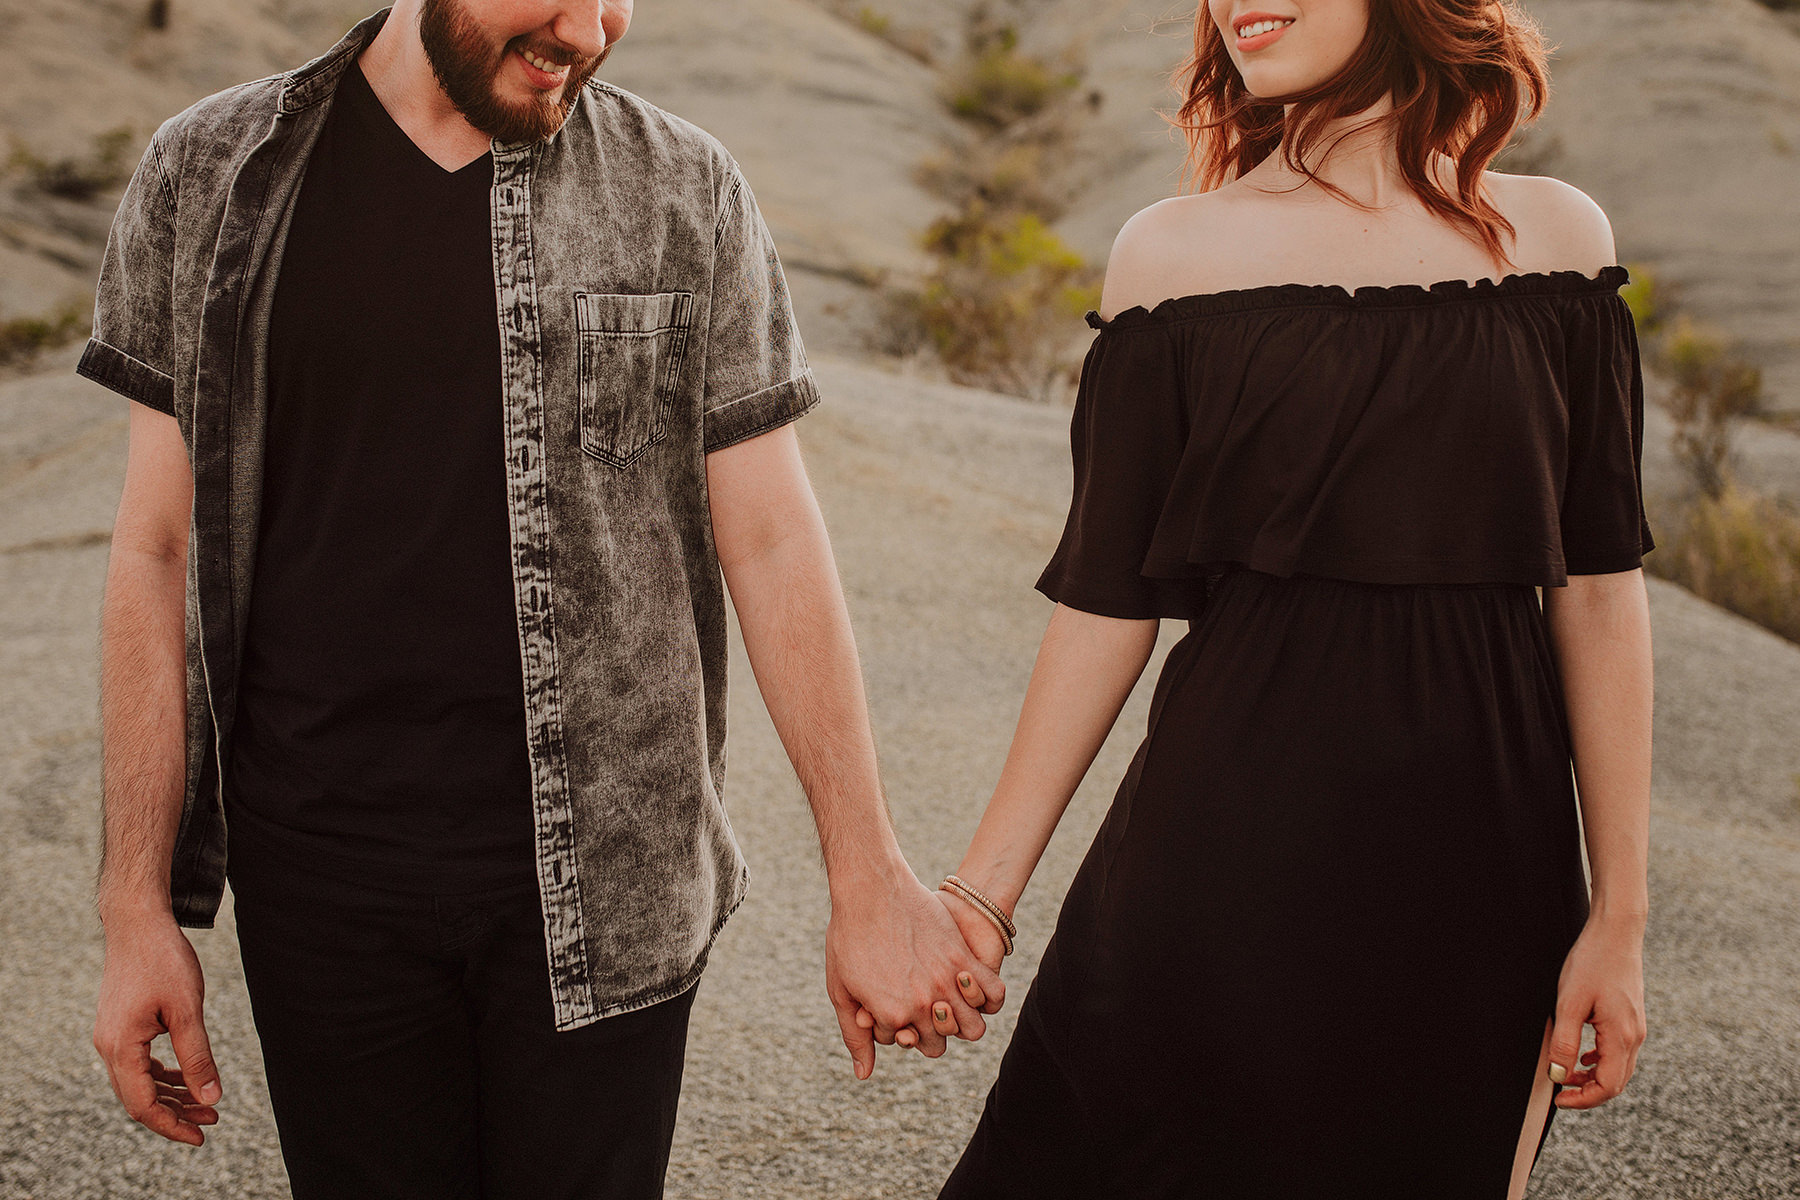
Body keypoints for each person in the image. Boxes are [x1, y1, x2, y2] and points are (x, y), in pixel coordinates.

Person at [81, 3, 1001, 1196]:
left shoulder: (684, 188)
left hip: (610, 877)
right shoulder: (207, 172)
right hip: (323, 881)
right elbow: (154, 552)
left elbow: (772, 541)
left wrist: (868, 875)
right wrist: (133, 909)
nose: (590, 25)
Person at [905, 0, 1655, 1195]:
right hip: (1211, 876)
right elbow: (1105, 604)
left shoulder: (1556, 241)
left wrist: (1618, 920)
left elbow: (1601, 598)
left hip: (1483, 892)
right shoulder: (1174, 254)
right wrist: (980, 899)